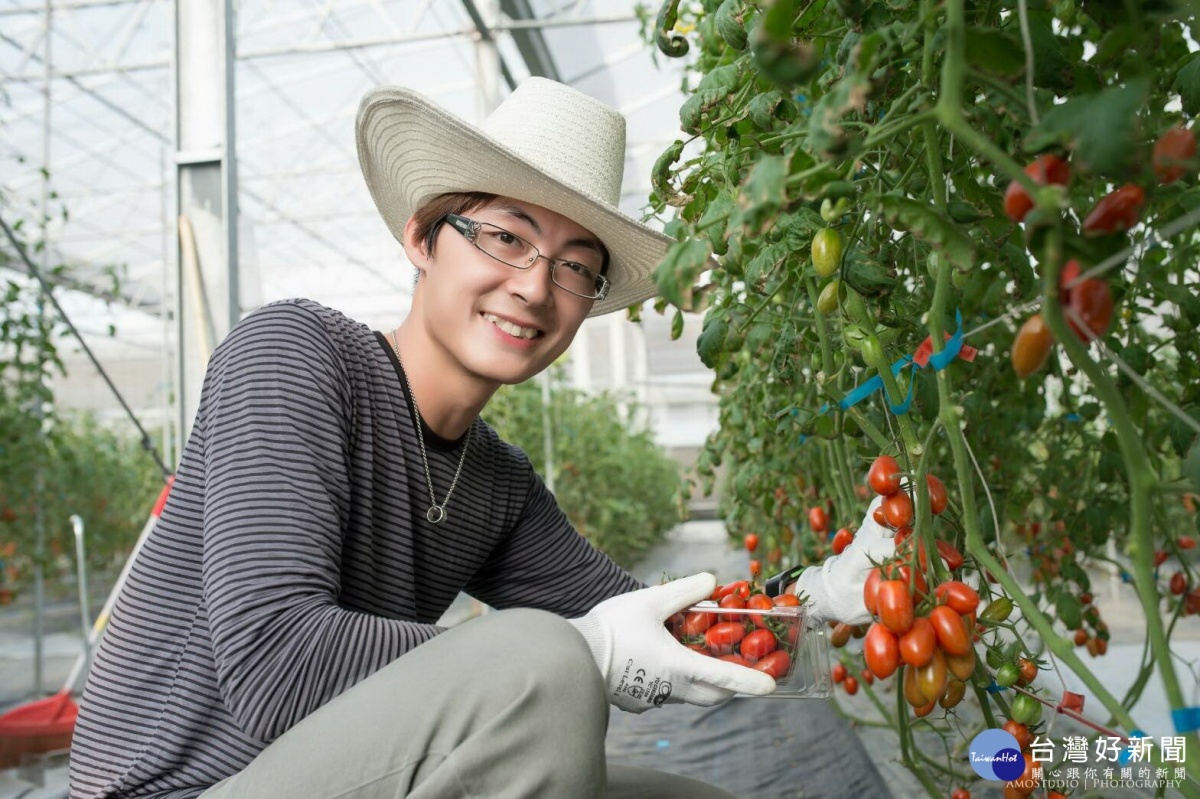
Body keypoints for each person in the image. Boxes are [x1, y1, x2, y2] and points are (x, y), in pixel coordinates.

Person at [68, 78, 891, 799]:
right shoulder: (294, 354)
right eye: (505, 235)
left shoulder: (496, 482)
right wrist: (574, 655)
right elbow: (277, 663)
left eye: (576, 266)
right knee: (543, 658)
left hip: (346, 771)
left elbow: (646, 626)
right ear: (424, 236)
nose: (535, 286)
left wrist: (825, 597)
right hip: (180, 786)